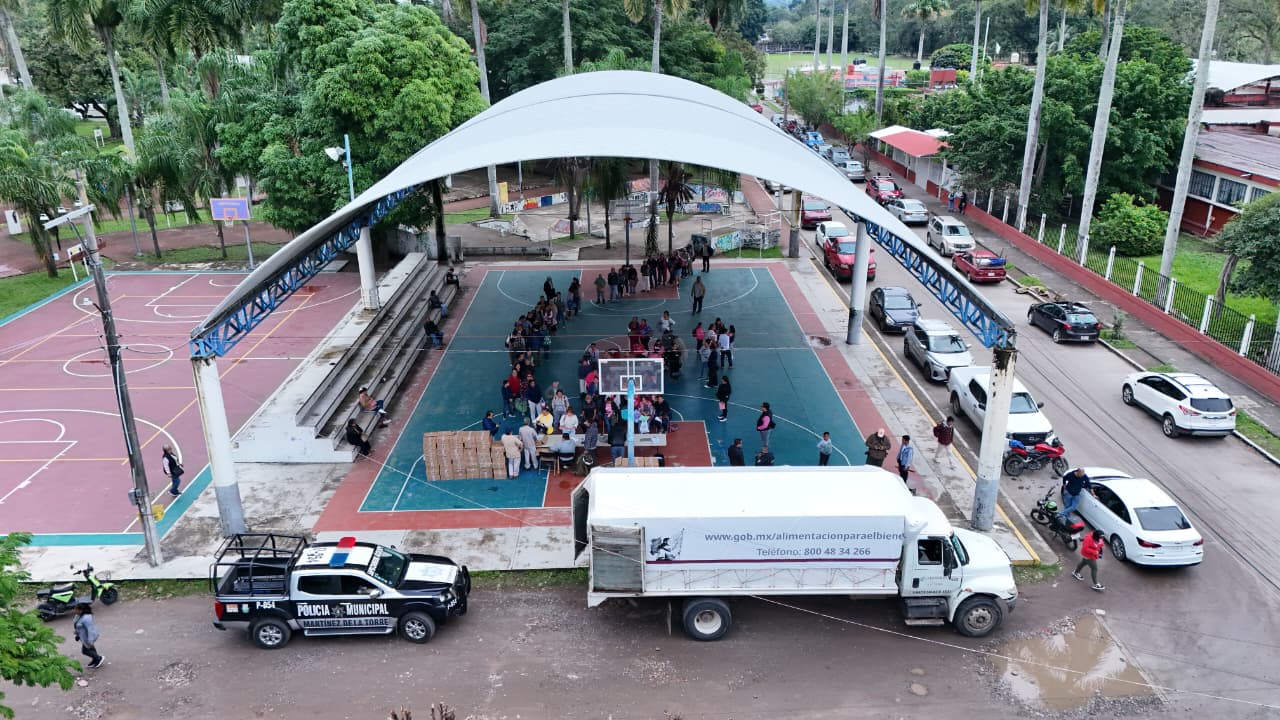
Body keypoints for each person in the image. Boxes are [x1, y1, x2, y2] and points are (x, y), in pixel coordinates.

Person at [73, 602, 104, 669]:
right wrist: (77, 634)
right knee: (90, 648)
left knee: (85, 651)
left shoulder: (86, 618)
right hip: (83, 636)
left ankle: (99, 658)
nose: (74, 610)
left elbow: (90, 630)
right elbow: (77, 625)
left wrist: (90, 640)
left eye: (76, 609)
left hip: (88, 637)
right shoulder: (78, 616)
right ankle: (95, 659)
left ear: (81, 610)